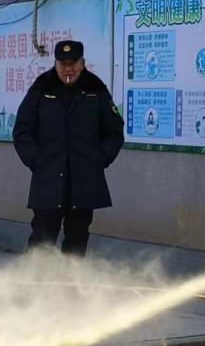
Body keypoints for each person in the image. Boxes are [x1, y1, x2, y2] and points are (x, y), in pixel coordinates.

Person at [13, 40, 124, 256]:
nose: (67, 69)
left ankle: (70, 287)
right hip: (48, 181)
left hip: (84, 182)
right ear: (55, 63)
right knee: (41, 240)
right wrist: (37, 161)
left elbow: (114, 131)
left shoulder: (96, 89)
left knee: (77, 239)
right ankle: (33, 287)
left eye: (72, 63)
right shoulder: (41, 88)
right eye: (62, 63)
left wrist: (99, 160)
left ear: (82, 63)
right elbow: (22, 131)